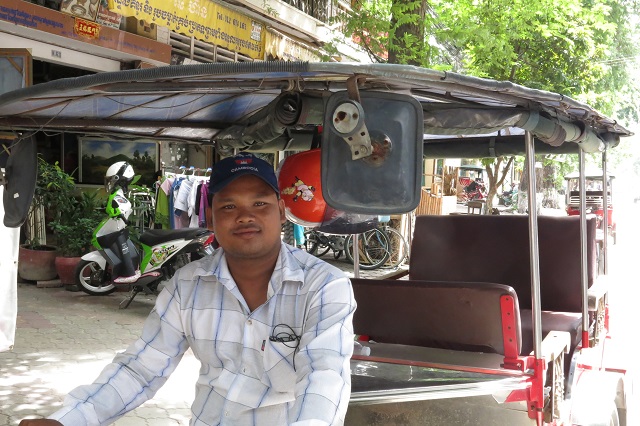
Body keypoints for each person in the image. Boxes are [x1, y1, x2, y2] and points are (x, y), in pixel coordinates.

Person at [19, 153, 356, 426]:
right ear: (210, 218)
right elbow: (141, 368)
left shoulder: (325, 286)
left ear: (281, 212)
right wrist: (70, 420)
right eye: (228, 206)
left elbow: (324, 375)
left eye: (259, 204)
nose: (244, 216)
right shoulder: (188, 284)